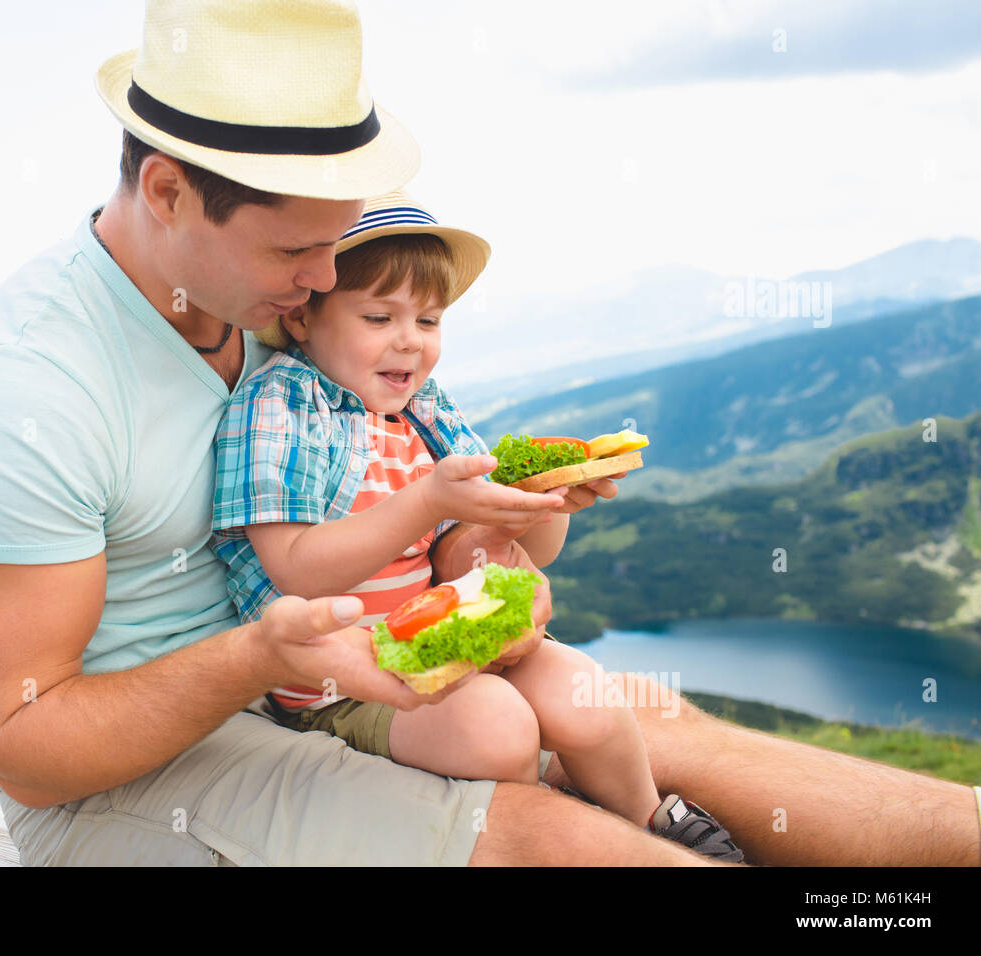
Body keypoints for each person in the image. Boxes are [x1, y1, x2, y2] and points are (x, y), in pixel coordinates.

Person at [0, 0, 981, 866]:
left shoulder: (288, 328)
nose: (328, 285)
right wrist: (255, 655)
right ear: (168, 190)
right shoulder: (24, 388)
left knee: (644, 717)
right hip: (145, 770)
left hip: (345, 673)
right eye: (302, 251)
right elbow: (28, 746)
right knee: (547, 835)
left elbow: (398, 477)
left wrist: (492, 546)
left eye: (340, 248)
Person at [209, 192, 745, 860]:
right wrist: (428, 502)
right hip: (342, 681)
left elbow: (519, 552)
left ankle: (651, 822)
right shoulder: (281, 407)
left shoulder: (424, 410)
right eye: (379, 316)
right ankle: (546, 832)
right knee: (497, 729)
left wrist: (544, 506)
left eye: (429, 320)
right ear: (301, 317)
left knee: (584, 695)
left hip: (450, 638)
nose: (410, 338)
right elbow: (295, 567)